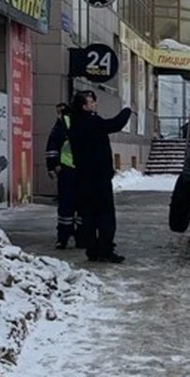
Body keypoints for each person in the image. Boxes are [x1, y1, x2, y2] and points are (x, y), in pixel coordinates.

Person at [67, 90, 132, 263]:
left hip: (83, 176)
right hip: (99, 177)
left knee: (88, 215)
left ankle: (92, 249)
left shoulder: (75, 124)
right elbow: (115, 124)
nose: (94, 103)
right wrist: (127, 111)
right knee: (105, 215)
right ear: (84, 106)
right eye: (91, 101)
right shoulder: (91, 121)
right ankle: (105, 249)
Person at [44, 103, 84, 250]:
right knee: (71, 205)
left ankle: (71, 237)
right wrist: (53, 166)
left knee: (75, 206)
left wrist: (53, 166)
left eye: (60, 112)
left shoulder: (65, 126)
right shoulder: (63, 127)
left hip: (73, 170)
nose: (59, 115)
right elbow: (52, 148)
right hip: (70, 169)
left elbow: (52, 146)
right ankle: (71, 237)